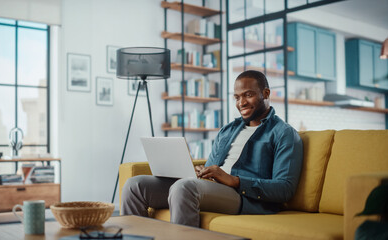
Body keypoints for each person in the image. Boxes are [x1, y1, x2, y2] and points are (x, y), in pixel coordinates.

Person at [121, 70, 303, 227]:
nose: (241, 103)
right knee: (134, 186)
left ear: (265, 93)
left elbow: (284, 189)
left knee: (185, 188)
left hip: (245, 198)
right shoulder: (228, 130)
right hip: (214, 189)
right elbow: (211, 167)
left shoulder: (284, 133)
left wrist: (235, 181)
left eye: (248, 95)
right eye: (237, 97)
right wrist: (201, 172)